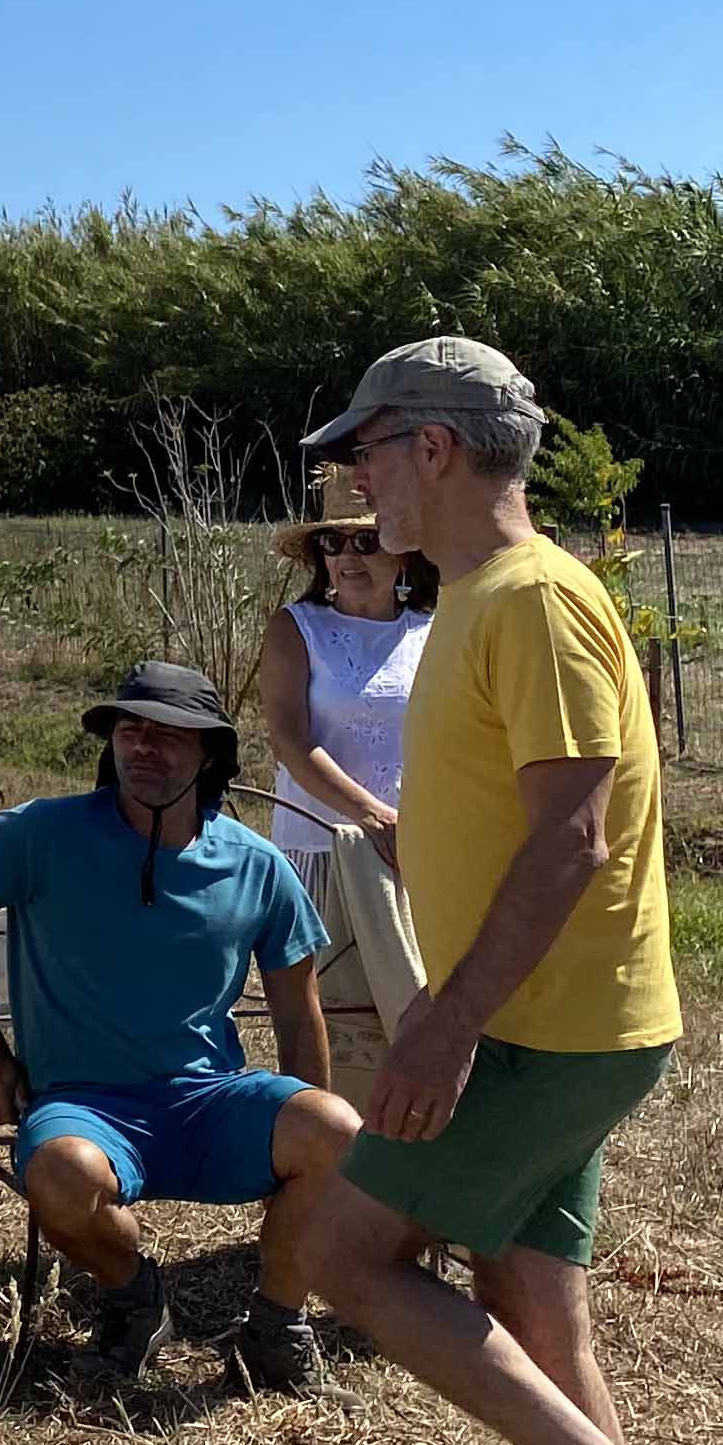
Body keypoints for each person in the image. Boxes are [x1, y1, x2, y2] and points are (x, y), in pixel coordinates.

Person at [291, 339, 712, 1445]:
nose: (354, 482)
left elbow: (572, 837)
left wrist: (447, 1017)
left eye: (367, 449)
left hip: (541, 1028)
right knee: (536, 1320)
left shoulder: (532, 600)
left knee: (343, 1253)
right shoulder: (475, 598)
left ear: (435, 447)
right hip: (547, 1022)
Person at [0, 662, 359, 1395]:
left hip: (208, 1100)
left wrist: (306, 1139)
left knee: (337, 1131)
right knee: (63, 1174)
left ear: (210, 755)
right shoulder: (40, 835)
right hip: (82, 1103)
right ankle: (135, 1299)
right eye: (131, 730)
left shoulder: (257, 866)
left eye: (169, 736)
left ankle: (277, 1327)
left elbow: (296, 1009)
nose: (144, 748)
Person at [254, 459, 439, 1108]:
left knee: (412, 1003)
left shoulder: (433, 631)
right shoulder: (297, 628)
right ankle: (325, 1141)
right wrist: (369, 815)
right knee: (329, 1015)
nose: (349, 557)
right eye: (333, 543)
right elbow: (290, 739)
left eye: (366, 540)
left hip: (414, 852)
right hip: (321, 848)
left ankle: (406, 1142)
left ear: (403, 551)